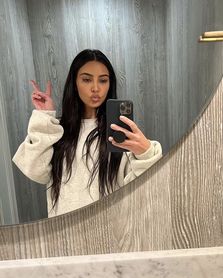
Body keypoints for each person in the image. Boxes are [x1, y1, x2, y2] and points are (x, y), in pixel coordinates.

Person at [13, 49, 162, 217]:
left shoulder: (120, 131)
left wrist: (146, 154)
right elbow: (35, 171)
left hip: (110, 232)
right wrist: (45, 117)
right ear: (75, 84)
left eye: (103, 80)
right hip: (66, 232)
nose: (96, 88)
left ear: (110, 84)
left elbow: (140, 190)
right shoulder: (57, 131)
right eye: (86, 79)